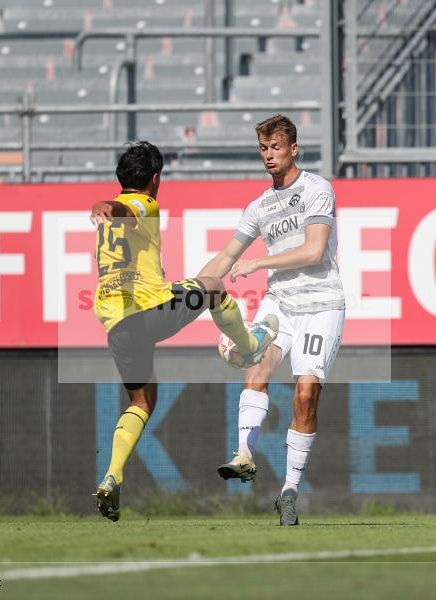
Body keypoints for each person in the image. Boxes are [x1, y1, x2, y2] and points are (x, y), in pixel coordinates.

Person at [89, 141, 278, 522]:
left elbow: (117, 211)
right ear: (155, 178)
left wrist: (104, 208)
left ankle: (112, 476)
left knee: (141, 401)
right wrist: (108, 207)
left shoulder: (115, 215)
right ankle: (250, 346)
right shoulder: (144, 204)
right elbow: (126, 207)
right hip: (149, 310)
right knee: (213, 286)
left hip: (117, 324)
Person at [199, 115, 345, 526]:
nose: (269, 155)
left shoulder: (318, 189)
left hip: (321, 305)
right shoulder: (259, 206)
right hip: (280, 302)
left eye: (276, 147)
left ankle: (289, 491)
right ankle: (244, 455)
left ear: (293, 149)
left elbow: (315, 251)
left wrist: (259, 261)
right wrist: (190, 288)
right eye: (263, 148)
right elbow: (226, 257)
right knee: (257, 366)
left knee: (304, 396)